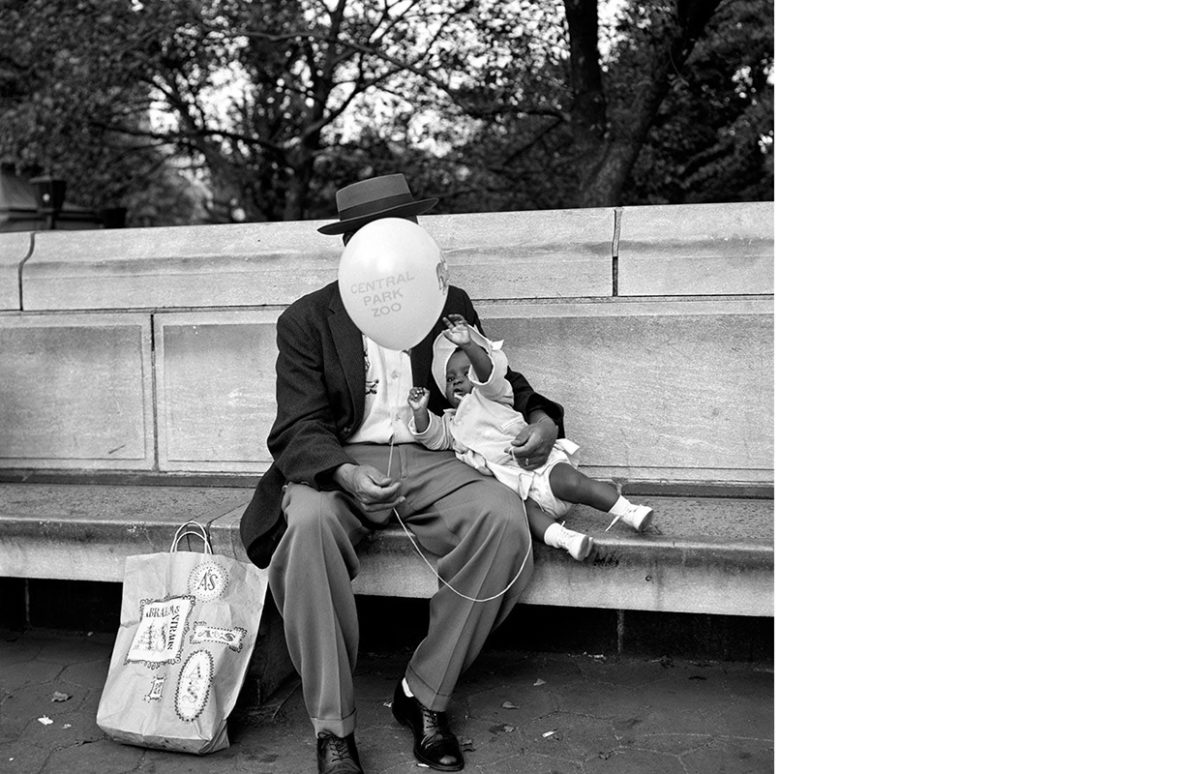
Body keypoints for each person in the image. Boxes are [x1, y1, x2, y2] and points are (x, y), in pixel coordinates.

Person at [239, 173, 566, 774]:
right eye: (379, 232)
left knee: (504, 522)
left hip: (434, 456)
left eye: (405, 228)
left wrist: (540, 420)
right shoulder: (308, 319)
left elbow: (501, 382)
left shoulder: (447, 302)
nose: (397, 241)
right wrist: (344, 474)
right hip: (341, 465)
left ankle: (424, 695)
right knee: (306, 531)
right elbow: (297, 428)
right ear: (353, 244)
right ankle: (333, 729)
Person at [407, 315, 654, 562]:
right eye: (450, 378)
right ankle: (567, 539)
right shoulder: (452, 424)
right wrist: (420, 412)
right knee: (528, 517)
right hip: (519, 491)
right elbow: (433, 436)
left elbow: (488, 376)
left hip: (542, 469)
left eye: (465, 372)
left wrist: (470, 345)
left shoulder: (494, 395)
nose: (458, 380)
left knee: (577, 484)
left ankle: (628, 511)